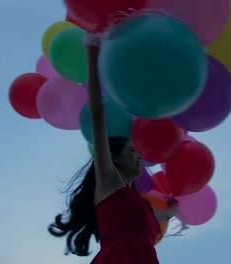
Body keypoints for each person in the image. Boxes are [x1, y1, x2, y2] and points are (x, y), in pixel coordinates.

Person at [48, 37, 179, 263]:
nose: (138, 155)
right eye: (131, 149)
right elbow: (98, 117)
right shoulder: (108, 182)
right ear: (114, 159)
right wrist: (92, 53)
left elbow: (161, 214)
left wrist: (172, 208)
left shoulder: (141, 204)